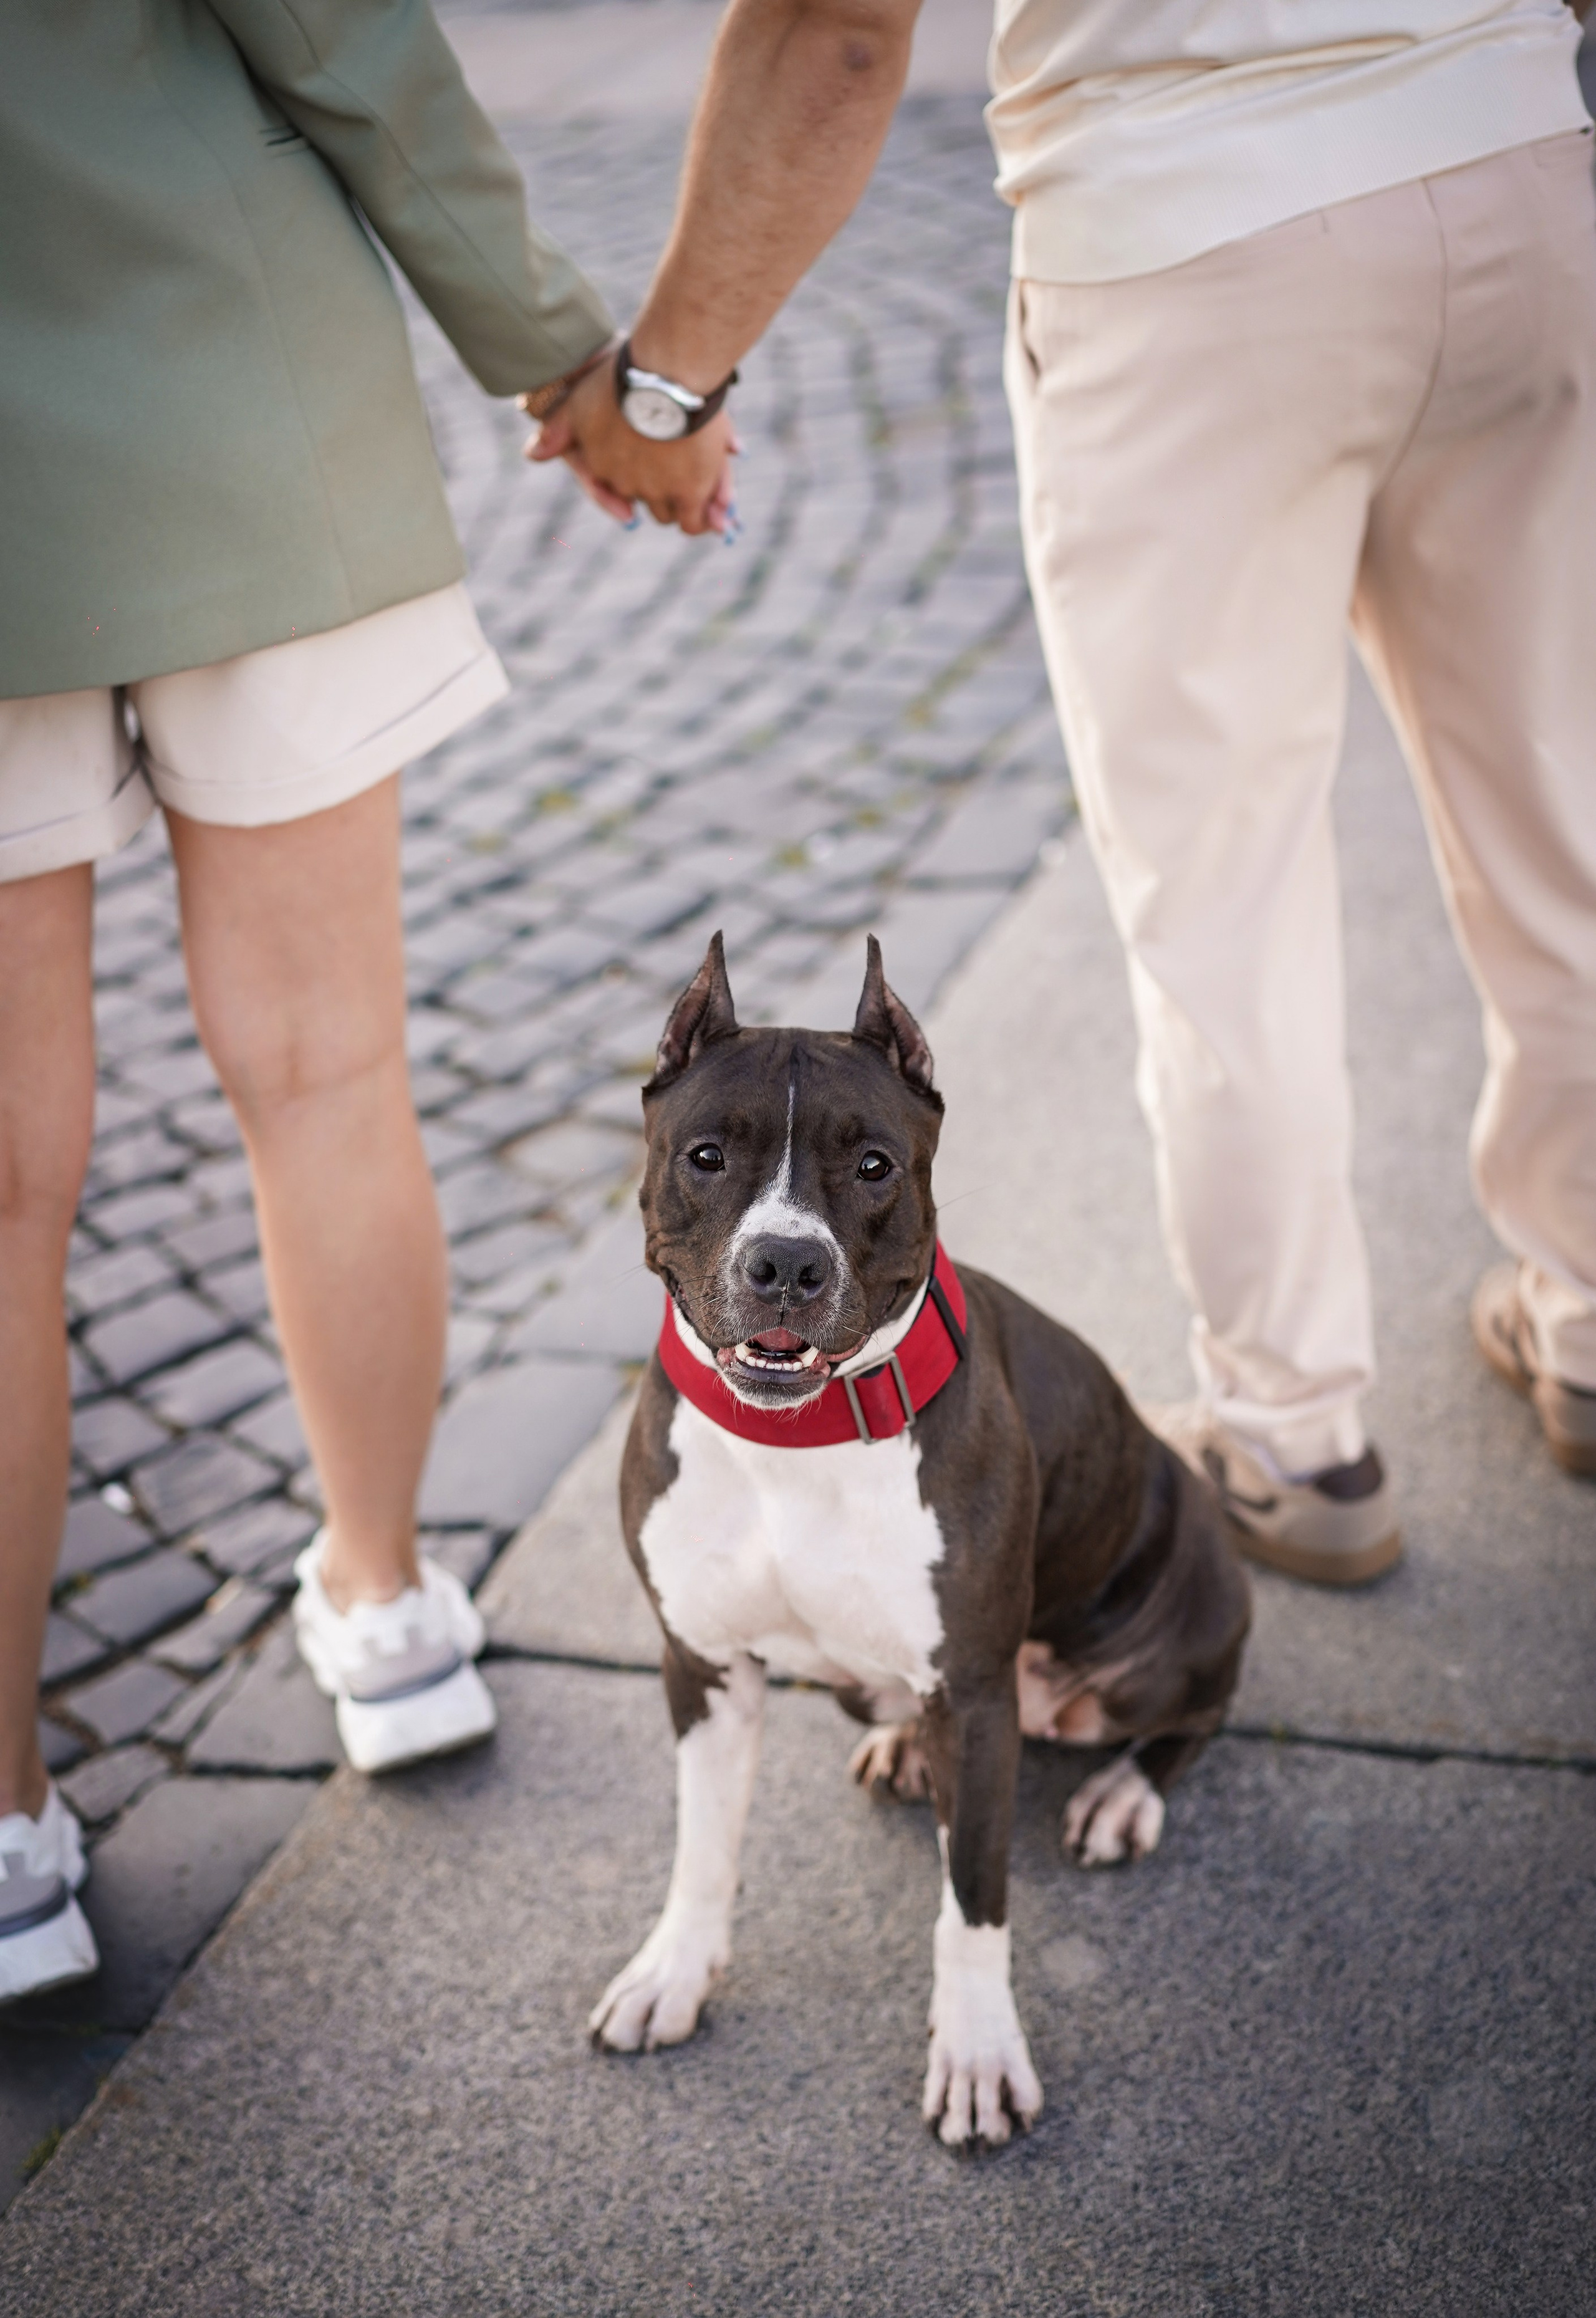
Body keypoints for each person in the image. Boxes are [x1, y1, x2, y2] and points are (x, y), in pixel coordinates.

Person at [536, 0, 1596, 1586]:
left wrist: (668, 384)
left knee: (1219, 894)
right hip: (1515, 161)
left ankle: (1296, 1432)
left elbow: (834, 26)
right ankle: (1584, 1310)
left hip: (1189, 228)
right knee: (1559, 820)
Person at [0, 0, 626, 2003]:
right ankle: (389, 1605)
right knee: (333, 1075)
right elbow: (347, 40)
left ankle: (6, 1831)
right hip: (233, 406)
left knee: (1, 1195)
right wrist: (569, 354)